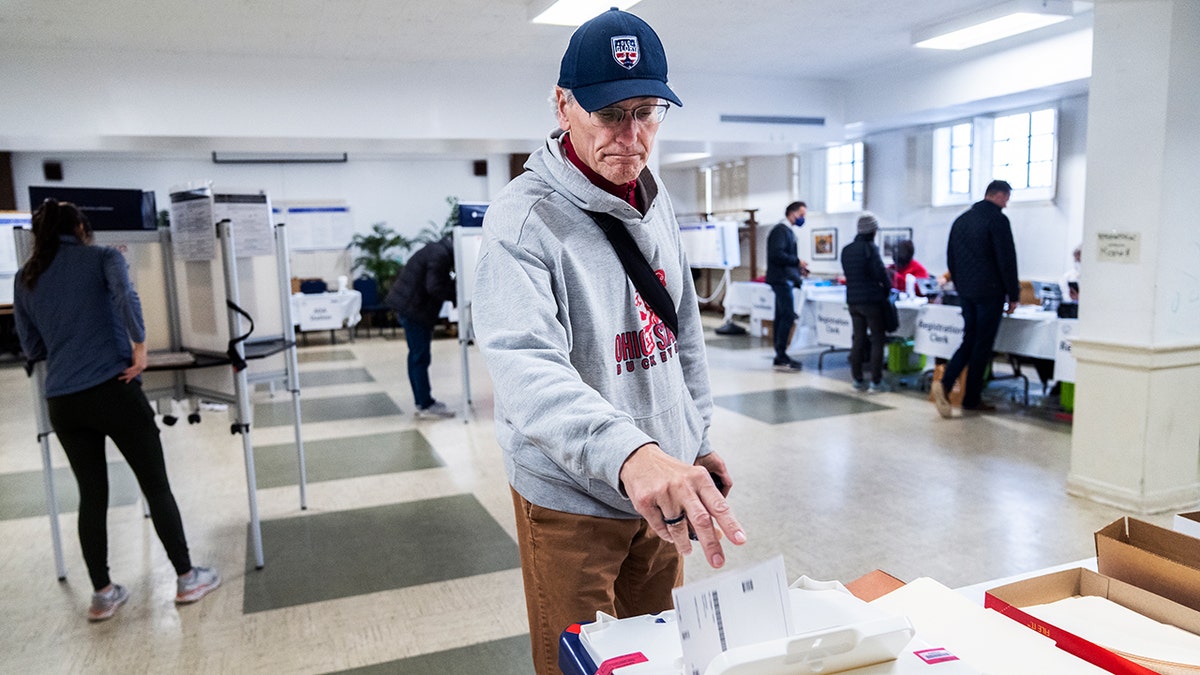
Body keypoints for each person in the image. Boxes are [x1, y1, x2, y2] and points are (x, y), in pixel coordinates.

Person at [471, 9, 745, 674]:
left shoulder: (657, 199)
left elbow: (680, 333)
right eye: (609, 113)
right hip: (572, 499)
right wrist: (632, 453)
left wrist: (694, 435)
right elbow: (526, 370)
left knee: (659, 655)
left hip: (662, 485)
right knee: (582, 664)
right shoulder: (523, 219)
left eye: (647, 112)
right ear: (563, 106)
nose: (631, 136)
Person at [13, 199, 220, 622]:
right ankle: (186, 578)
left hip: (63, 403)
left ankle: (103, 594)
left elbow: (31, 346)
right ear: (81, 227)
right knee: (155, 485)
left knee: (92, 495)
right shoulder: (103, 257)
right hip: (114, 390)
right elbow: (125, 296)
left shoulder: (25, 277)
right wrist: (139, 347)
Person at [931, 180, 1020, 417]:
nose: (1007, 203)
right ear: (1000, 195)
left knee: (969, 340)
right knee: (982, 345)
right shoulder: (997, 220)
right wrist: (1013, 294)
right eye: (1007, 197)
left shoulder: (961, 220)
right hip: (990, 292)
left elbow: (951, 259)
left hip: (967, 292)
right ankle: (971, 398)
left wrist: (961, 286)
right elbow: (1006, 259)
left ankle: (946, 383)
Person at [384, 234, 457, 419]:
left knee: (416, 356)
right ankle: (425, 404)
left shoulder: (435, 250)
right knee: (420, 357)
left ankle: (421, 401)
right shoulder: (440, 256)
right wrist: (456, 292)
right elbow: (434, 286)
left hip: (409, 308)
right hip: (415, 310)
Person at [840, 213, 892, 393]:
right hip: (871, 301)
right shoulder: (870, 249)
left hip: (853, 301)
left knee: (858, 339)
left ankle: (857, 379)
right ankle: (876, 382)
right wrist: (887, 289)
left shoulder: (846, 250)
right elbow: (881, 275)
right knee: (878, 339)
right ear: (872, 231)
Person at [764, 201, 809, 371]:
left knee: (782, 315)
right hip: (781, 280)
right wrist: (797, 261)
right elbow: (777, 254)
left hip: (785, 279)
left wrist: (799, 268)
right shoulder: (780, 231)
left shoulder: (787, 231)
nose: (803, 219)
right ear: (792, 213)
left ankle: (780, 354)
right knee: (787, 315)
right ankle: (781, 354)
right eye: (802, 215)